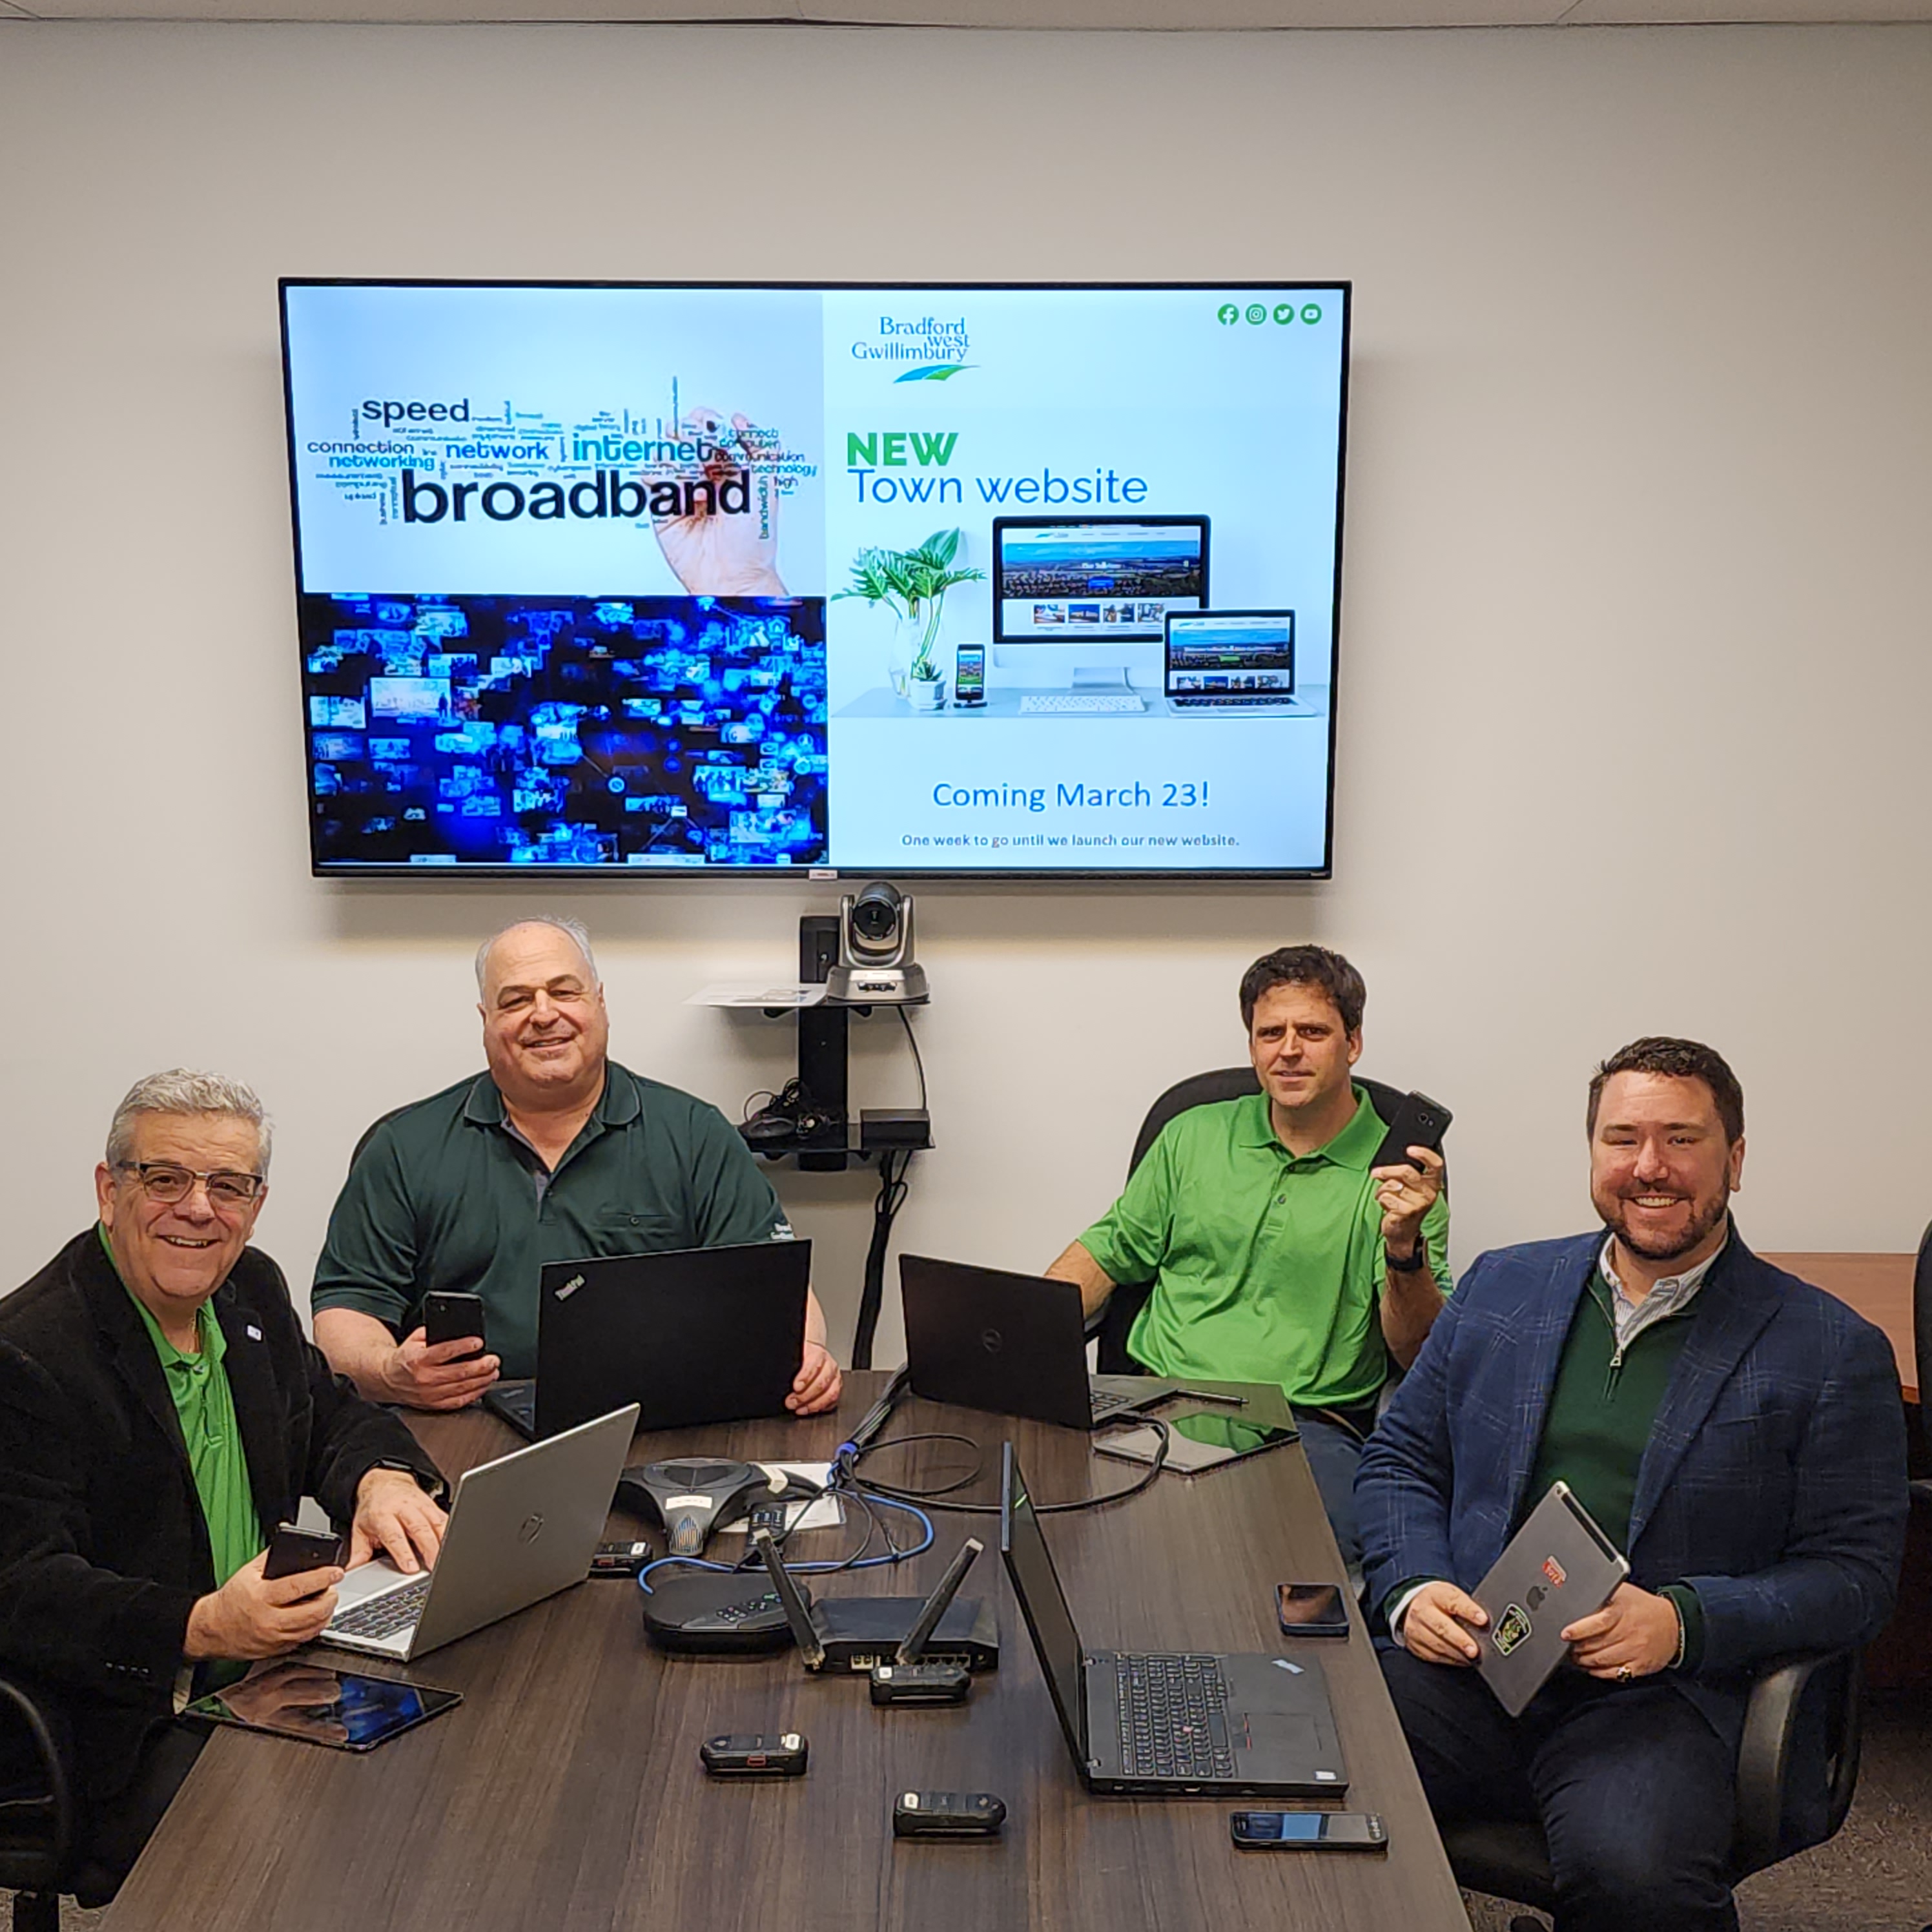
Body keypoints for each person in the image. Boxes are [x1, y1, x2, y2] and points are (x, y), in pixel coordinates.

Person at [1357, 1037, 1907, 1932]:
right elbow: (1402, 1461)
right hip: (1476, 1661)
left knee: (1635, 1881)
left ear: (1734, 1159)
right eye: (1623, 1139)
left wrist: (1685, 1621)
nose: (1650, 1168)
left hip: (1660, 1700)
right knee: (1291, 1761)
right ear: (1593, 1155)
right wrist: (1414, 1586)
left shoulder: (1828, 1349)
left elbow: (1855, 1577)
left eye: (1682, 1140)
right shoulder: (1505, 1286)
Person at [0, 1071, 447, 1899]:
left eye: (227, 1185)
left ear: (257, 1201)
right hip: (125, 1721)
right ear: (109, 1189)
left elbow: (330, 1412)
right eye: (164, 1178)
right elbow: (21, 1589)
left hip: (268, 1673)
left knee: (444, 1784)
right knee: (337, 1862)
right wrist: (201, 1624)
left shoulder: (250, 1291)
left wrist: (383, 1478)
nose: (198, 1209)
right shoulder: (27, 1355)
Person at [312, 916, 841, 1414]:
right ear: (486, 1020)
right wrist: (389, 1372)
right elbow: (346, 1311)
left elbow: (779, 1295)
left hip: (658, 1418)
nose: (544, 1014)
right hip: (460, 1422)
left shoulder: (695, 1135)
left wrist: (807, 1356)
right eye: (516, 1000)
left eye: (564, 992)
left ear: (601, 1003)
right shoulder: (405, 1147)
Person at [1045, 944, 1449, 1572]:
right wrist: (1027, 1338)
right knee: (1060, 1536)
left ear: (1353, 1042)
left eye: (1311, 1031)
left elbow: (1417, 1352)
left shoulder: (1401, 1178)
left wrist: (1403, 1246)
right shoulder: (1193, 1133)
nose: (1288, 1049)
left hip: (1306, 1427)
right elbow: (1105, 1253)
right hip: (1157, 1403)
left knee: (1292, 1590)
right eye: (1270, 1033)